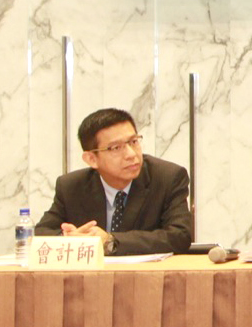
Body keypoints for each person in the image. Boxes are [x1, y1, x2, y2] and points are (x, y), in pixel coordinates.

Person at [36, 107, 193, 255]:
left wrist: (110, 241)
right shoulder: (71, 186)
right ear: (91, 159)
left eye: (134, 142)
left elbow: (179, 236)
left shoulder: (167, 178)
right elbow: (41, 233)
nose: (131, 154)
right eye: (116, 148)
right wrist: (69, 239)